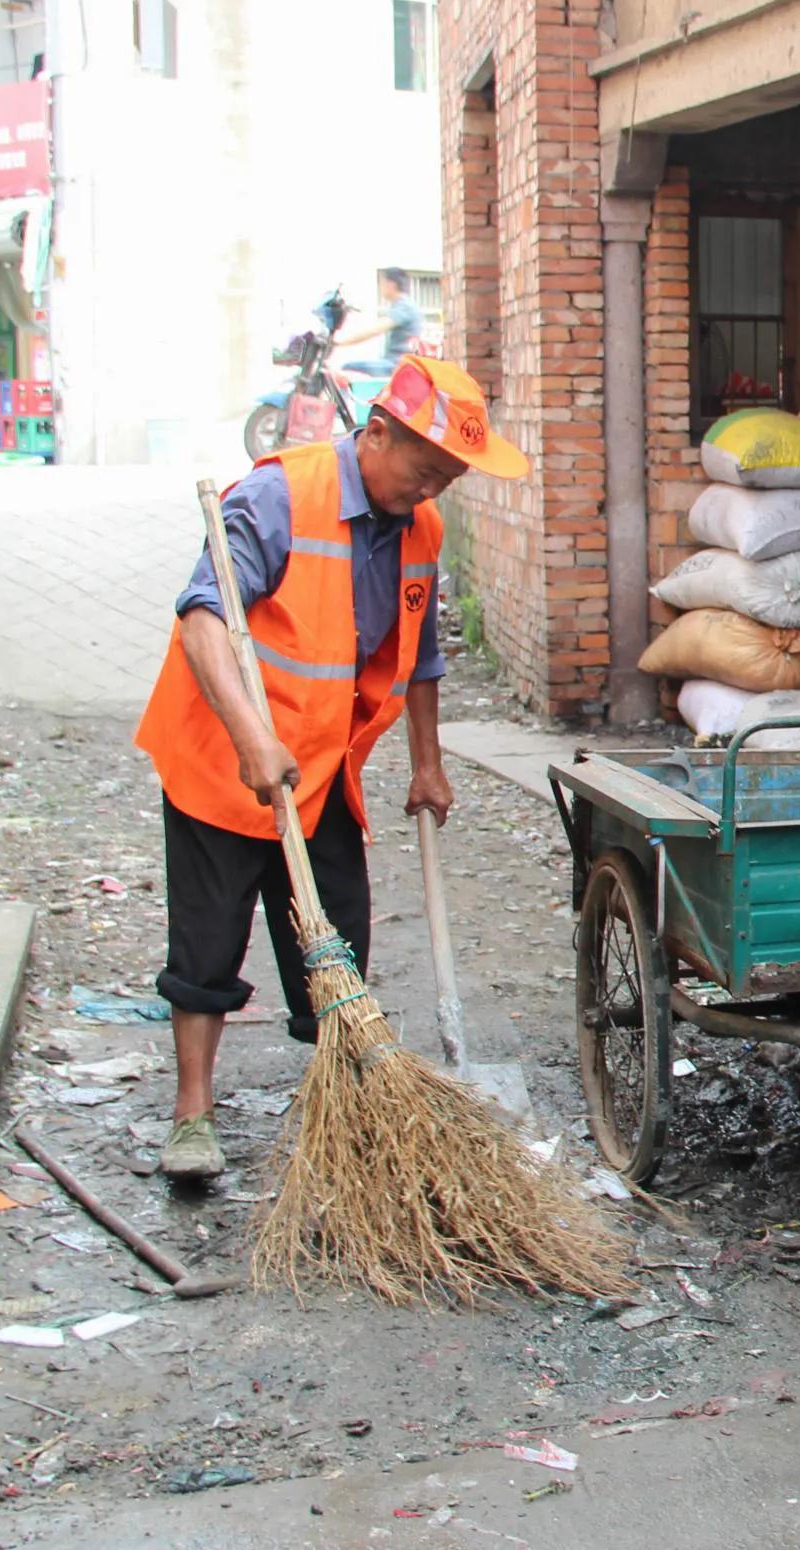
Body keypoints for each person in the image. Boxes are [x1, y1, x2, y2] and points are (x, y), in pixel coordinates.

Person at [134, 354, 528, 1180]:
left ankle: (341, 1109)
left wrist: (427, 764)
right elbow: (203, 621)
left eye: (447, 480)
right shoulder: (279, 496)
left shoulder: (420, 527)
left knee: (336, 942)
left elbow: (419, 654)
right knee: (208, 944)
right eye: (424, 472)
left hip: (321, 770)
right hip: (220, 759)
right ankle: (192, 1116)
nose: (431, 492)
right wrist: (252, 738)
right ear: (376, 434)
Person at [336, 267, 425, 377]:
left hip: (398, 364)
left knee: (348, 367)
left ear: (391, 284)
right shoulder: (402, 305)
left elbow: (375, 330)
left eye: (382, 283)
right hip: (397, 362)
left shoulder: (404, 306)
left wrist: (340, 341)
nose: (380, 287)